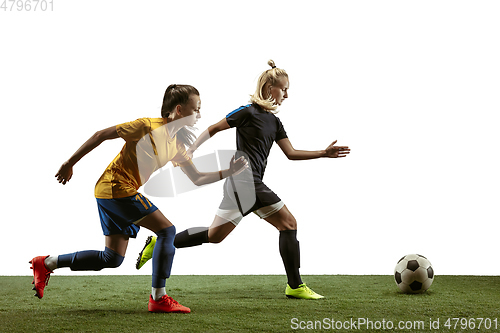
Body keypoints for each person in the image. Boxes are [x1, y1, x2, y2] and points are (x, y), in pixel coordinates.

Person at [136, 60, 350, 299]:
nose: (287, 95)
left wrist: (323, 153)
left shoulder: (275, 122)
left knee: (214, 236)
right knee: (288, 224)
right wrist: (192, 150)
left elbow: (291, 154)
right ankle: (295, 286)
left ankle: (161, 244)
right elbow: (214, 128)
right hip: (245, 182)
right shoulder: (247, 112)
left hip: (242, 187)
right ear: (270, 88)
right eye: (284, 89)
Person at [29, 84, 248, 313]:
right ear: (180, 110)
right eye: (196, 109)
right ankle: (158, 297)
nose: (199, 115)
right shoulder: (146, 126)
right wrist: (69, 163)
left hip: (110, 193)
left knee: (111, 258)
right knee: (167, 231)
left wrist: (228, 172)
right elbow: (101, 135)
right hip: (116, 188)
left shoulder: (176, 145)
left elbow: (197, 177)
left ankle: (46, 263)